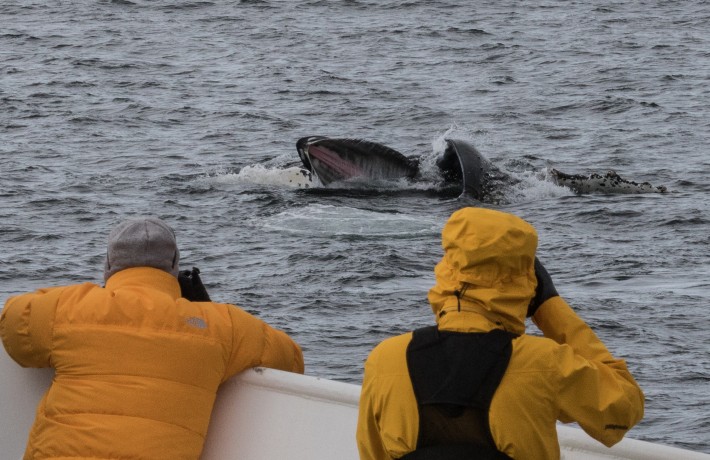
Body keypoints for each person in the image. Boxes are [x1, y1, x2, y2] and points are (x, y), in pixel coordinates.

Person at [0, 217, 304, 459]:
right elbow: (291, 359)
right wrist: (204, 307)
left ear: (108, 266)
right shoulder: (224, 326)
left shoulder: (68, 307)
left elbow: (13, 323)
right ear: (175, 266)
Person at [356, 207, 644, 460]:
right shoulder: (544, 363)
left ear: (446, 269)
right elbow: (622, 410)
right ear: (529, 281)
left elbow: (372, 454)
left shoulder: (384, 360)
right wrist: (550, 307)